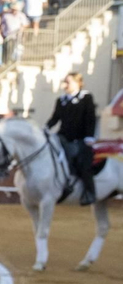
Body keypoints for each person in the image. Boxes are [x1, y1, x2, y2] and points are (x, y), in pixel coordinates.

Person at [47, 71, 99, 205]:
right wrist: (45, 128)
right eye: (64, 82)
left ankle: (89, 192)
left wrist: (89, 137)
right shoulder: (61, 100)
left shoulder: (86, 98)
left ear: (78, 83)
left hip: (81, 138)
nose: (65, 85)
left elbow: (90, 119)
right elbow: (55, 118)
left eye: (68, 82)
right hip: (63, 137)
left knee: (84, 163)